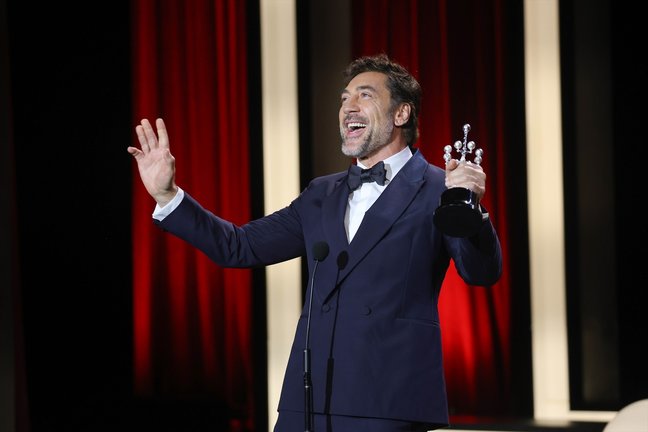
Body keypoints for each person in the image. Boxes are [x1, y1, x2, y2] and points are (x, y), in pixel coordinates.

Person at [128, 54, 502, 432]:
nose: (347, 107)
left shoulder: (440, 187)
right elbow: (238, 246)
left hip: (388, 399)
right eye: (344, 98)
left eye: (365, 96)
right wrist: (168, 195)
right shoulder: (321, 194)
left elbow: (481, 272)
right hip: (308, 399)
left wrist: (468, 207)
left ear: (401, 114)